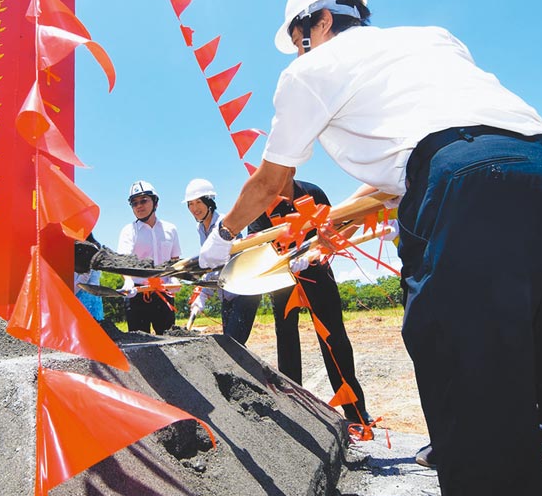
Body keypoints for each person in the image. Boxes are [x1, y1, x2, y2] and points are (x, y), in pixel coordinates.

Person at [199, 0, 542, 496]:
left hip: (464, 181)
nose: (300, 48)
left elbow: (272, 184)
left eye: (302, 35)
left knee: (470, 366)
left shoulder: (309, 70)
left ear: (321, 20)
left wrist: (222, 237)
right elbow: (426, 152)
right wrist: (333, 222)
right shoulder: (432, 39)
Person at [247, 179, 370, 424]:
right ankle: (297, 407)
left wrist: (315, 254)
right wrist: (283, 260)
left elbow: (334, 230)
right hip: (282, 277)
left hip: (317, 272)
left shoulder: (313, 192)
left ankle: (356, 412)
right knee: (287, 337)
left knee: (335, 338)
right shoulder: (260, 203)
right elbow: (255, 245)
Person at [183, 178, 260, 343]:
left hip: (244, 291)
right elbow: (211, 266)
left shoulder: (225, 225)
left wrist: (203, 291)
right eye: (190, 203)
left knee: (233, 343)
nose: (194, 208)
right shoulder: (201, 229)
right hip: (227, 293)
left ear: (209, 202)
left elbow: (225, 263)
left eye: (198, 202)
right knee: (230, 343)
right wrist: (202, 292)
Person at [117, 180, 180, 334]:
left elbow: (175, 259)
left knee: (169, 341)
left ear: (155, 202)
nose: (139, 206)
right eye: (134, 203)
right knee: (140, 346)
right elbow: (123, 262)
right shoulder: (128, 231)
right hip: (137, 295)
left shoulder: (170, 229)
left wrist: (174, 277)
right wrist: (128, 280)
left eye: (144, 200)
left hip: (164, 292)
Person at [73, 233, 105, 322]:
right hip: (91, 297)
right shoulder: (94, 248)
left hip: (83, 300)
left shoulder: (88, 249)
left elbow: (90, 280)